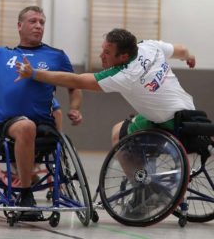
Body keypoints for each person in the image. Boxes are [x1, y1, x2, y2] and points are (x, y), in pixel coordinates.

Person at [16, 27, 197, 185]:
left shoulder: (124, 75)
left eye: (107, 53)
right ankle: (148, 174)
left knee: (118, 135)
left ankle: (143, 186)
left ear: (124, 56)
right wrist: (189, 57)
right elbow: (181, 50)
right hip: (189, 113)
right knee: (133, 121)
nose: (101, 55)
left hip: (168, 125)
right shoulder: (149, 46)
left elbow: (76, 80)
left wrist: (34, 74)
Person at [0, 3, 83, 217]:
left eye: (42, 22)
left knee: (31, 127)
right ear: (19, 26)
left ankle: (26, 188)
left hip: (43, 124)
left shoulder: (56, 56)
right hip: (6, 124)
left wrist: (75, 108)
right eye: (33, 21)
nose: (38, 26)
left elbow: (74, 86)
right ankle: (25, 192)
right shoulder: (0, 54)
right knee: (25, 127)